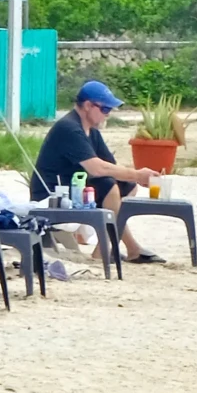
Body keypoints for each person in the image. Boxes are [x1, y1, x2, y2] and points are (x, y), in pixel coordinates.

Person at [30, 80, 164, 262]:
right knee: (109, 187)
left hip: (73, 187)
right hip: (52, 194)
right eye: (105, 109)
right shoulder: (69, 128)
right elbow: (97, 167)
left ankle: (131, 249)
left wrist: (136, 178)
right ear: (87, 106)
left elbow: (110, 165)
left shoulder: (90, 132)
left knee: (127, 186)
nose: (107, 115)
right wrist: (137, 173)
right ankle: (103, 251)